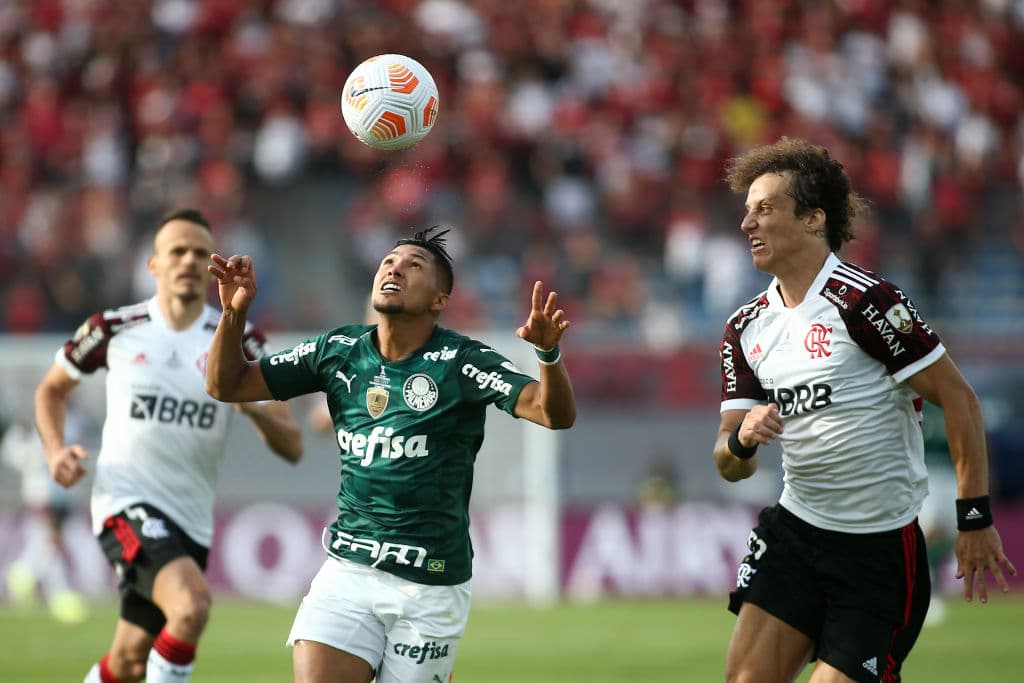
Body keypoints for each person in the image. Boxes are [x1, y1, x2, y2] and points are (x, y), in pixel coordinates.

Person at [205, 226, 576, 683]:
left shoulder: (464, 361)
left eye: (413, 266)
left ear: (439, 300)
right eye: (388, 262)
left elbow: (551, 413)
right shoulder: (338, 350)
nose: (394, 268)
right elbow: (227, 384)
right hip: (349, 571)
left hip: (431, 583)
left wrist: (547, 353)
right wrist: (233, 314)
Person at [713, 137, 1016, 683]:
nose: (747, 224)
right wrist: (741, 439)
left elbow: (959, 399)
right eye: (746, 211)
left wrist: (974, 518)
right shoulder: (745, 328)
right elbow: (727, 462)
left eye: (764, 209)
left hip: (877, 552)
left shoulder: (864, 303)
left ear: (812, 219)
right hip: (796, 535)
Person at [34, 208, 304, 683]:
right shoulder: (114, 327)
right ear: (154, 264)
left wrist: (254, 407)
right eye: (176, 251)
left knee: (129, 663)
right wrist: (55, 450)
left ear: (211, 266)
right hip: (125, 503)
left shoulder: (239, 342)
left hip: (190, 523)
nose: (188, 260)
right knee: (192, 606)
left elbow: (293, 445)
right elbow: (51, 389)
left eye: (200, 252)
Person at [2, 413, 89, 624]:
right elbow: (13, 452)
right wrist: (33, 458)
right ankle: (55, 592)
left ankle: (24, 574)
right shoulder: (28, 429)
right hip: (42, 494)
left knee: (46, 544)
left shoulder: (69, 423)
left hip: (61, 494)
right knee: (50, 542)